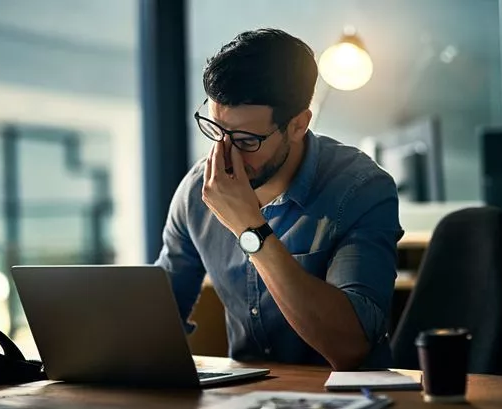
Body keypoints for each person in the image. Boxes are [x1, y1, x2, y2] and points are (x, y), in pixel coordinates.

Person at [155, 28, 403, 370]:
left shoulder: (361, 189)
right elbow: (158, 316)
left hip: (346, 398)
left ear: (298, 125)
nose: (225, 154)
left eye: (245, 140)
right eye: (216, 131)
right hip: (244, 396)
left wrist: (249, 228)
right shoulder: (199, 189)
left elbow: (350, 347)